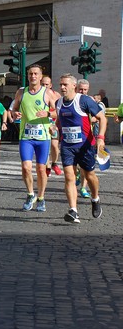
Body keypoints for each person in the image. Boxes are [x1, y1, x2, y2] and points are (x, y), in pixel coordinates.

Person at [55, 74, 106, 223]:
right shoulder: (59, 103)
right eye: (61, 85)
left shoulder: (83, 101)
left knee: (90, 176)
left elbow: (102, 118)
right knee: (69, 177)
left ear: (73, 86)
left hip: (85, 145)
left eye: (65, 84)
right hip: (67, 146)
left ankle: (95, 198)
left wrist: (100, 138)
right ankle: (73, 210)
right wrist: (54, 126)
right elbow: (59, 121)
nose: (62, 87)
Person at [11, 65, 56, 212]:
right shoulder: (21, 92)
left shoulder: (47, 93)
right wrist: (15, 114)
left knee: (41, 169)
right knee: (25, 167)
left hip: (43, 137)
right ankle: (31, 194)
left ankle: (41, 198)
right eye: (31, 74)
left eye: (36, 74)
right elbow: (14, 110)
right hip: (26, 136)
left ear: (41, 76)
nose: (33, 76)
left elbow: (56, 113)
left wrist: (48, 115)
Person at [40, 75, 63, 177]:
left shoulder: (56, 95)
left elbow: (60, 112)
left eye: (47, 84)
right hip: (41, 125)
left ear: (51, 85)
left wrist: (57, 123)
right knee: (45, 147)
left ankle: (54, 163)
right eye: (43, 84)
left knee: (54, 145)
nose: (45, 86)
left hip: (53, 123)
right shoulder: (37, 94)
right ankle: (47, 166)